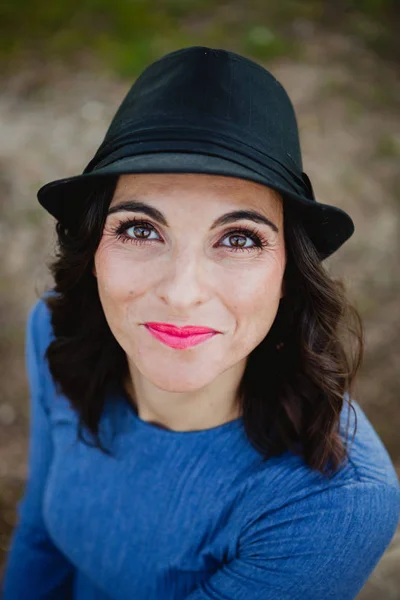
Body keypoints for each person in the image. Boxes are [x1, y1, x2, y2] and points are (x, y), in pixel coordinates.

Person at [2, 46, 399, 600]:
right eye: (141, 229)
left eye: (238, 238)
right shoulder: (56, 332)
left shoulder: (334, 503)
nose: (182, 294)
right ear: (93, 248)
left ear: (289, 273)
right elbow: (42, 538)